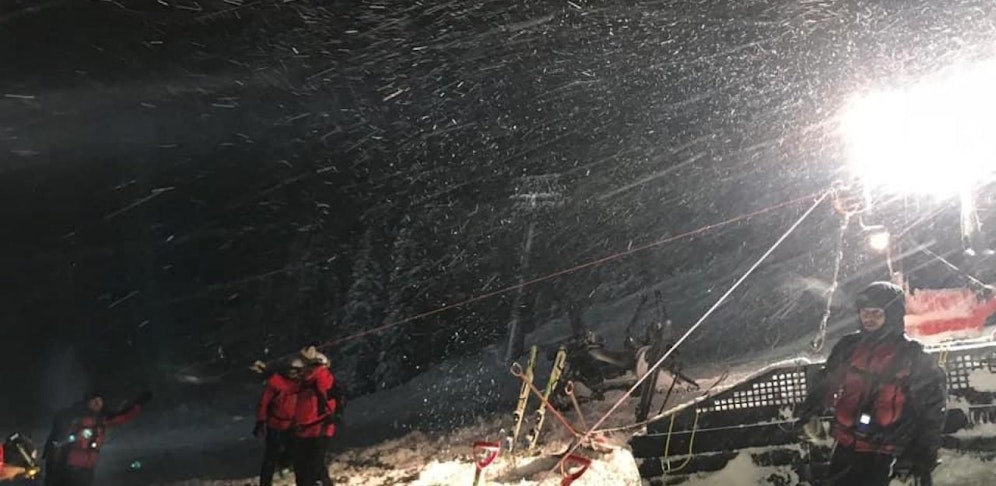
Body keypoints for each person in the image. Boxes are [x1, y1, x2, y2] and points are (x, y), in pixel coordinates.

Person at [796, 281, 947, 486]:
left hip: (888, 451)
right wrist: (811, 411)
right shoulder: (849, 347)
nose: (869, 318)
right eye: (865, 312)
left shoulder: (912, 355)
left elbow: (932, 410)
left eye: (877, 313)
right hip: (847, 445)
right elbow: (827, 381)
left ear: (892, 315)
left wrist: (922, 454)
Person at [44, 390, 151, 486]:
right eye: (94, 400)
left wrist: (138, 404)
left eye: (99, 401)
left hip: (87, 469)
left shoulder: (102, 419)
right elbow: (58, 439)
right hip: (67, 468)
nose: (97, 403)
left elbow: (122, 417)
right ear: (87, 402)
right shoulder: (74, 417)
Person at [256, 357, 304, 486]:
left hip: (293, 424)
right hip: (275, 424)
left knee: (292, 450)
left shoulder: (301, 384)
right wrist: (260, 420)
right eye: (291, 371)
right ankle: (265, 482)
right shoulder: (276, 383)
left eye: (296, 371)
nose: (293, 374)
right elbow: (264, 402)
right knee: (270, 456)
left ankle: (284, 463)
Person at [294, 347, 337, 486]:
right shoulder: (305, 381)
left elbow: (327, 399)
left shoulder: (321, 377)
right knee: (304, 466)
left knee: (314, 466)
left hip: (319, 427)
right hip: (306, 429)